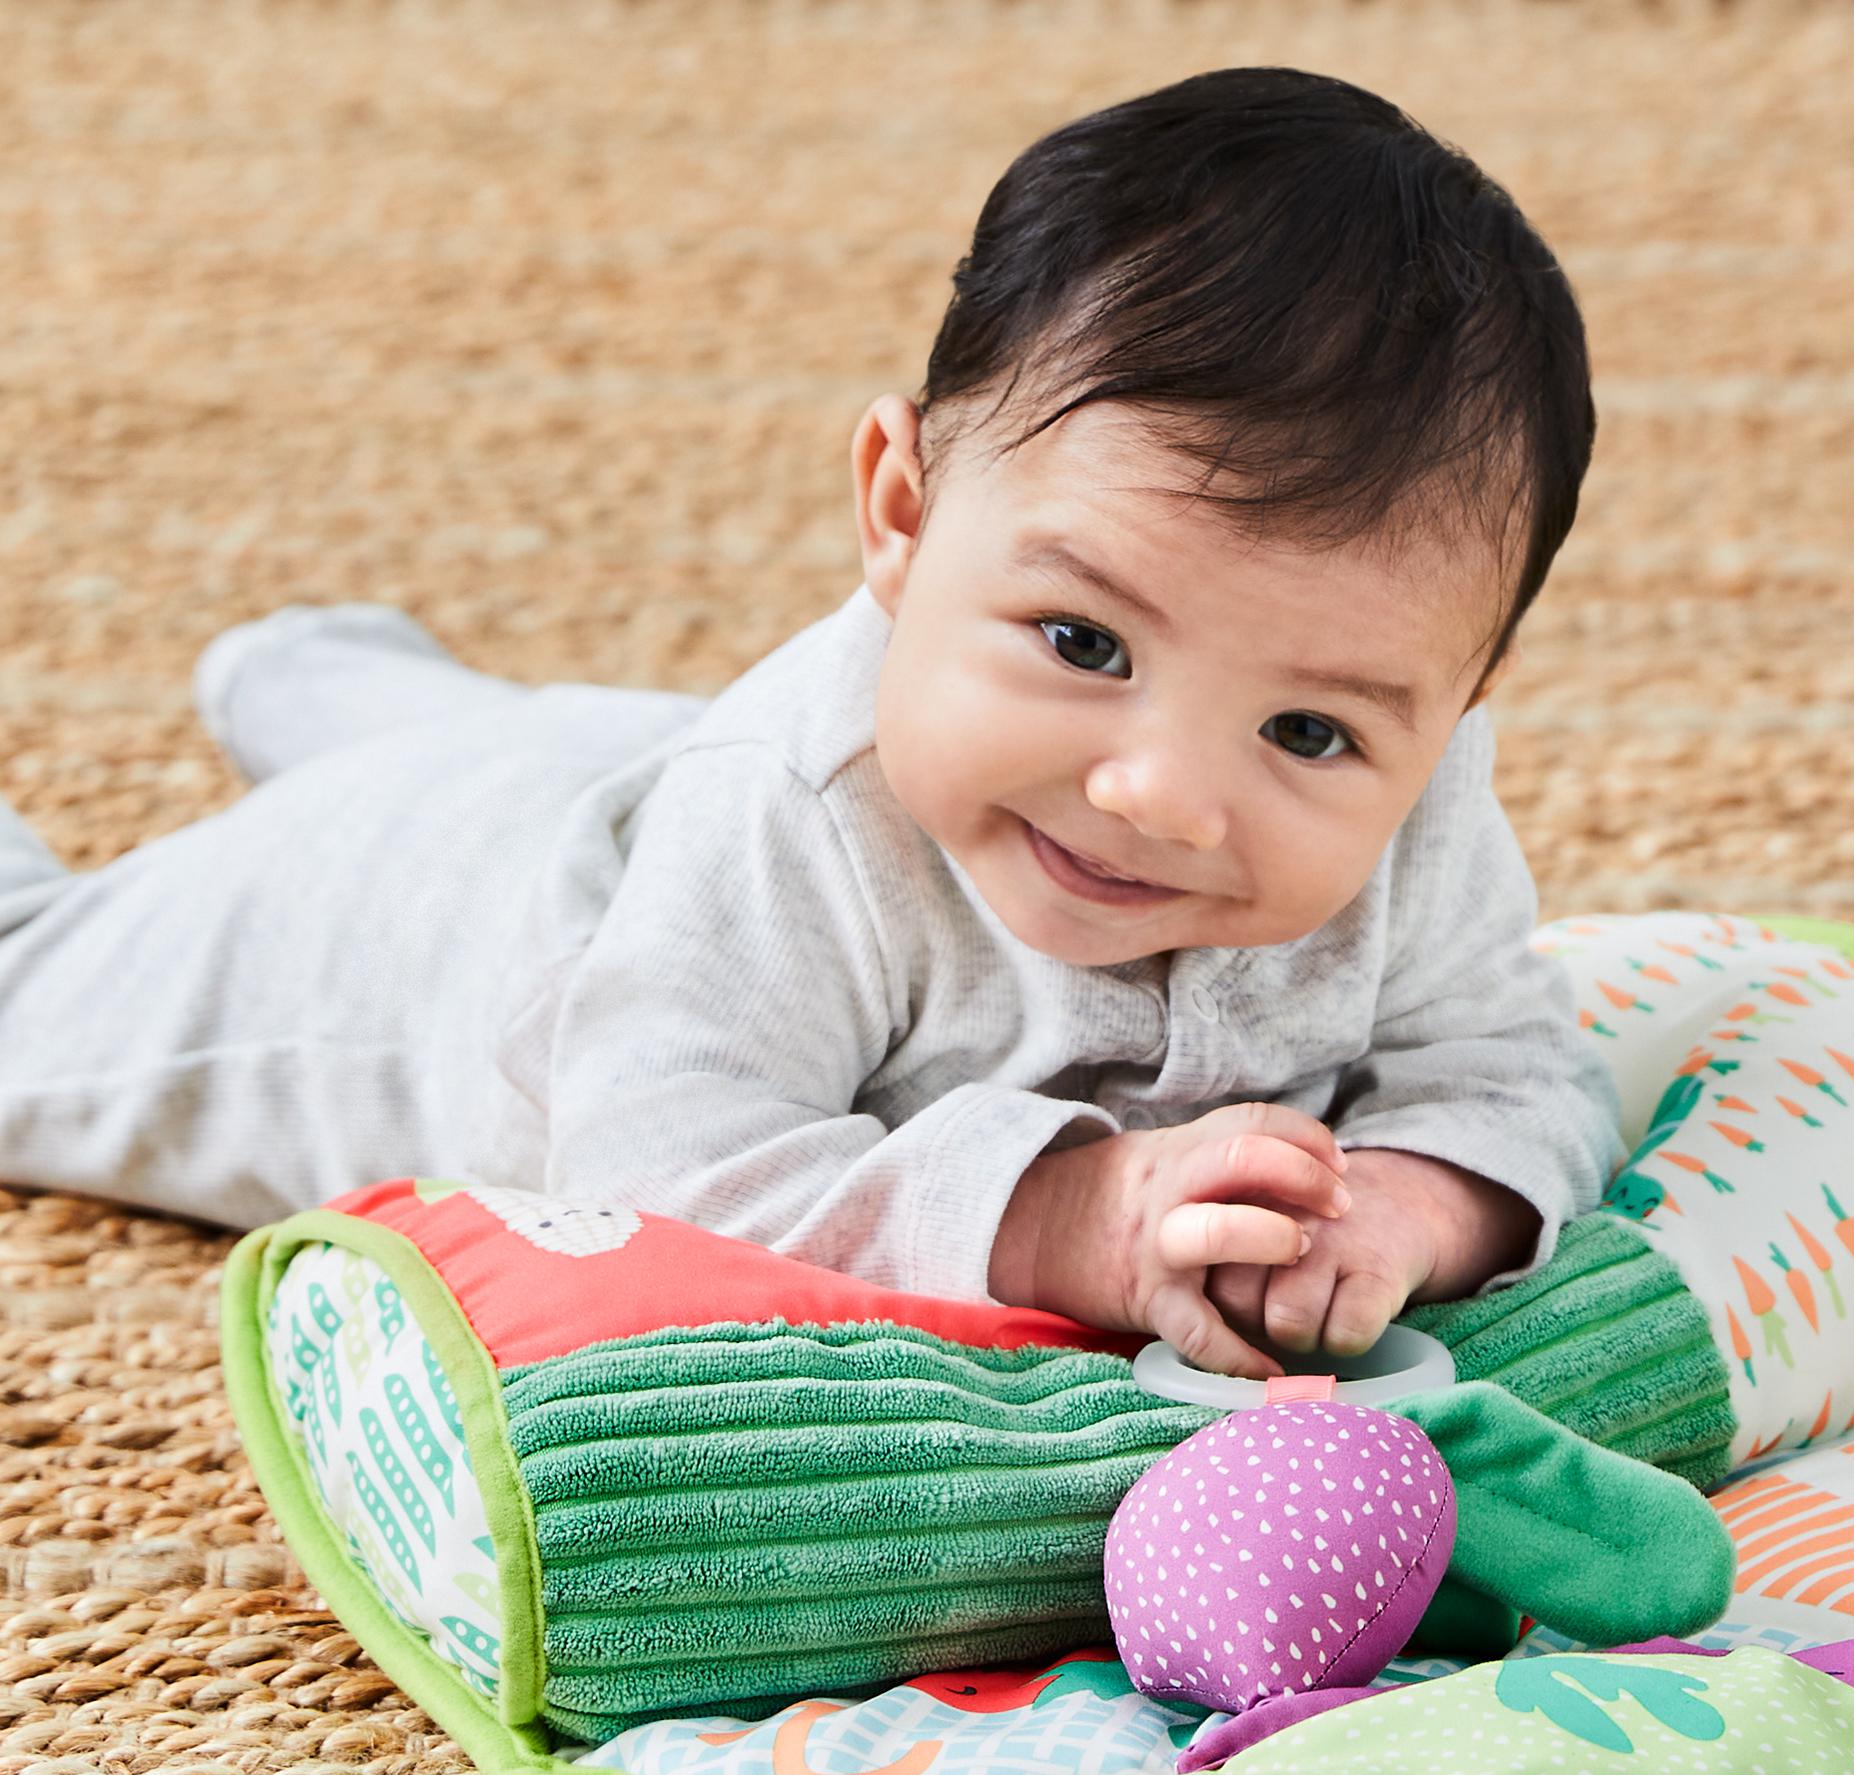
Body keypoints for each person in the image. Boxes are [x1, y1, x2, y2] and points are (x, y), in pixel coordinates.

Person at [0, 65, 1620, 1379]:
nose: (1165, 795)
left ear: (1458, 700)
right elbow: (654, 1170)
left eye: (1310, 738)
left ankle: (347, 689)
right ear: (901, 509)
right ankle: (362, 733)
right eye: (1080, 639)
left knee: (575, 753)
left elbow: (1512, 1063)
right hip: (423, 945)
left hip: (626, 766)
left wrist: (1411, 1211)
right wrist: (1073, 1218)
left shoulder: (1420, 793)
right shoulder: (790, 812)